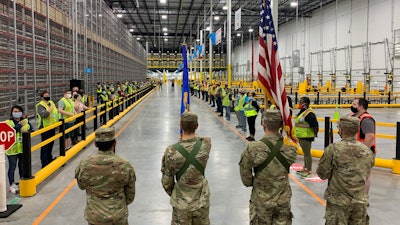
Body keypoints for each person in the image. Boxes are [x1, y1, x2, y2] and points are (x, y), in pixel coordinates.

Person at [239, 109, 297, 224]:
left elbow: (246, 178)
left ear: (263, 123)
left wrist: (255, 182)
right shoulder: (291, 149)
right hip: (282, 200)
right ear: (281, 125)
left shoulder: (253, 148)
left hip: (261, 200)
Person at [317, 116, 374, 225]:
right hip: (359, 201)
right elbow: (366, 174)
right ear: (357, 130)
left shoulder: (333, 149)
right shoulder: (367, 151)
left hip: (339, 203)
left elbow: (322, 174)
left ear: (341, 130)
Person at [75, 127, 136, 225]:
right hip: (117, 216)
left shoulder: (85, 164)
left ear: (95, 144)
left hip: (95, 217)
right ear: (114, 143)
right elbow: (130, 195)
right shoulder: (124, 165)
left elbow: (81, 186)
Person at [161, 112, 212, 225]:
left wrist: (177, 194)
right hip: (201, 201)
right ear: (197, 126)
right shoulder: (206, 144)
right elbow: (203, 138)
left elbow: (166, 182)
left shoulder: (171, 151)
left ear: (180, 126)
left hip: (181, 204)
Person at [349, 97, 376, 195]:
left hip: (364, 152)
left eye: (354, 104)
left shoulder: (366, 119)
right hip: (356, 151)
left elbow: (370, 136)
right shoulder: (356, 117)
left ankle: (363, 199)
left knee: (364, 176)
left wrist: (362, 151)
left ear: (360, 107)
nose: (352, 106)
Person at [5, 105, 33, 193]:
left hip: (22, 149)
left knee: (22, 166)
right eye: (15, 112)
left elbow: (29, 129)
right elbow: (12, 131)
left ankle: (22, 181)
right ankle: (12, 185)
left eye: (18, 111)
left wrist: (24, 127)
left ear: (21, 113)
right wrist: (20, 125)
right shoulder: (8, 122)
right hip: (12, 150)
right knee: (12, 167)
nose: (16, 113)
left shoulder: (25, 121)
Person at [294, 96, 319, 178]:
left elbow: (315, 125)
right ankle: (305, 168)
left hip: (306, 136)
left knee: (307, 154)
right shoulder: (302, 112)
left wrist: (315, 133)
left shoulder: (309, 114)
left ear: (305, 104)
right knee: (305, 153)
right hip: (301, 136)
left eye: (300, 102)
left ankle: (309, 170)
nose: (299, 104)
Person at [36, 91, 59, 168]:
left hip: (52, 126)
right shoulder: (40, 105)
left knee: (51, 143)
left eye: (48, 95)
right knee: (45, 145)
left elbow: (55, 114)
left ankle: (49, 158)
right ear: (42, 97)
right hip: (45, 128)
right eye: (45, 95)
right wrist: (50, 109)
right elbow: (44, 115)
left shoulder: (51, 103)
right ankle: (44, 162)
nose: (47, 96)